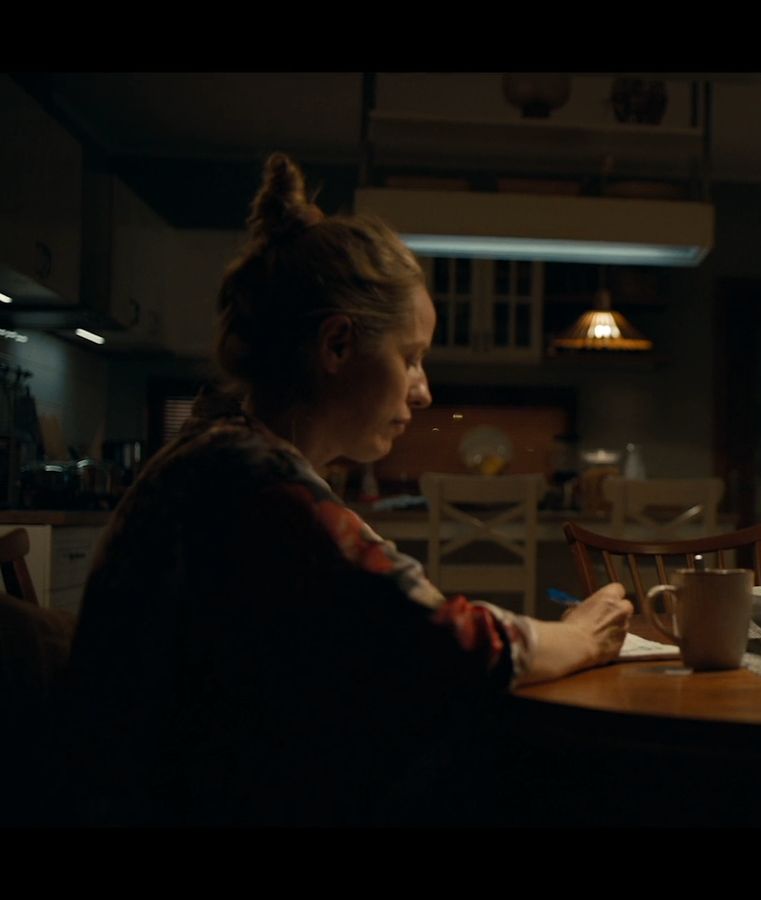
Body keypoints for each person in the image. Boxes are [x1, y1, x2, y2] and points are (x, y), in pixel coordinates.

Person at [55, 152, 632, 824]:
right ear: (336, 346)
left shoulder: (226, 453)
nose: (423, 389)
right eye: (410, 357)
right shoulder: (257, 481)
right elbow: (443, 644)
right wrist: (581, 636)